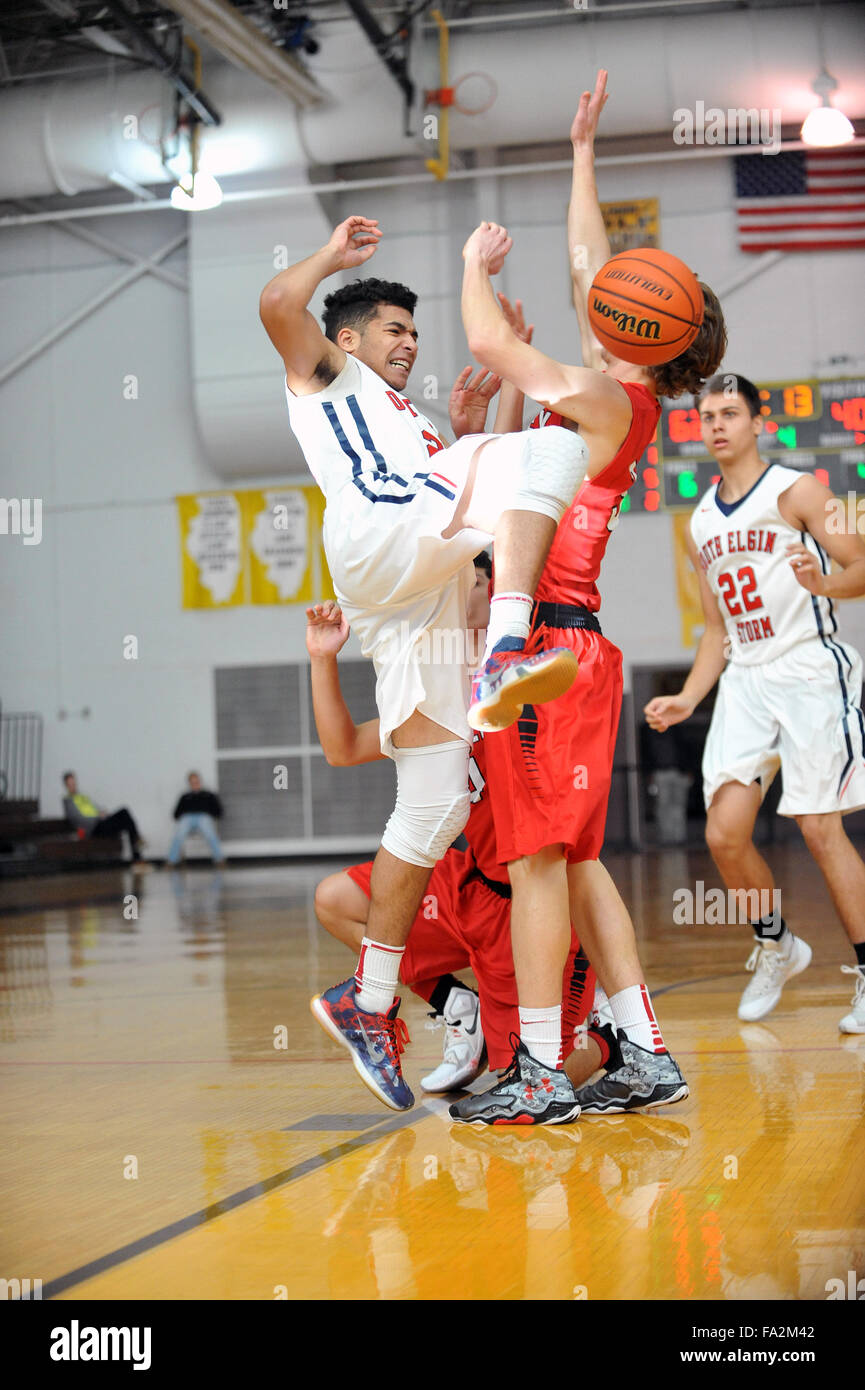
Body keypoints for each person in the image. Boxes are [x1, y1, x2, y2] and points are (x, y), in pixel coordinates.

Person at [260, 213, 593, 1112]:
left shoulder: (402, 415)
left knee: (437, 797)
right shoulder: (325, 375)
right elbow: (274, 301)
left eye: (414, 332)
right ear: (348, 338)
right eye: (394, 330)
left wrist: (474, 424)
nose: (408, 343)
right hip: (382, 537)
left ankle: (366, 1003)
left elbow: (487, 505)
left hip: (413, 581)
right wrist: (332, 253)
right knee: (561, 448)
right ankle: (512, 646)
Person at [448, 70, 727, 1123]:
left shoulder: (606, 395)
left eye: (616, 300)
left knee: (531, 866)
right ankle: (646, 1051)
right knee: (574, 858)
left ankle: (532, 1070)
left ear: (643, 332)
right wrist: (577, 155)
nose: (596, 293)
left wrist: (472, 265)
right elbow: (585, 265)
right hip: (575, 656)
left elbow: (486, 342)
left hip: (545, 658)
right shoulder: (624, 388)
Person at [305, 590, 619, 1115]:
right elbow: (341, 748)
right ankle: (457, 1007)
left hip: (525, 903)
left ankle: (610, 1033)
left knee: (530, 1079)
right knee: (336, 899)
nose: (457, 594)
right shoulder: (435, 701)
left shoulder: (527, 684)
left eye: (473, 584)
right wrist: (322, 659)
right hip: (464, 882)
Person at [644, 372, 865, 1032]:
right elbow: (716, 628)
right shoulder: (700, 521)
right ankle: (775, 944)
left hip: (807, 670)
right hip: (745, 678)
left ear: (756, 424)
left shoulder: (800, 489)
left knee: (819, 829)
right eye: (705, 414)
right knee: (723, 832)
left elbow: (860, 565)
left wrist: (821, 579)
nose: (715, 425)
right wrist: (687, 695)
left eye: (728, 413)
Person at [61, 770, 148, 868]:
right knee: (127, 821)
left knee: (125, 813)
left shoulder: (82, 797)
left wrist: (103, 812)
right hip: (93, 828)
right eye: (70, 784)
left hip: (101, 823)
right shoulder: (68, 801)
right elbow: (77, 819)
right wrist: (98, 816)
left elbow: (95, 808)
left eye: (74, 783)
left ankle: (137, 855)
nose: (73, 786)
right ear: (66, 785)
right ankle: (137, 854)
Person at [166, 772, 225, 866]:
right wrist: (181, 816)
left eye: (196, 782)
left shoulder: (208, 795)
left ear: (200, 782)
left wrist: (213, 815)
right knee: (178, 834)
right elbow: (176, 813)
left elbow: (218, 810)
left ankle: (219, 859)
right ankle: (171, 861)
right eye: (192, 782)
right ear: (189, 784)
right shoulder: (185, 797)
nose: (195, 784)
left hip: (203, 817)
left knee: (211, 834)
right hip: (187, 818)